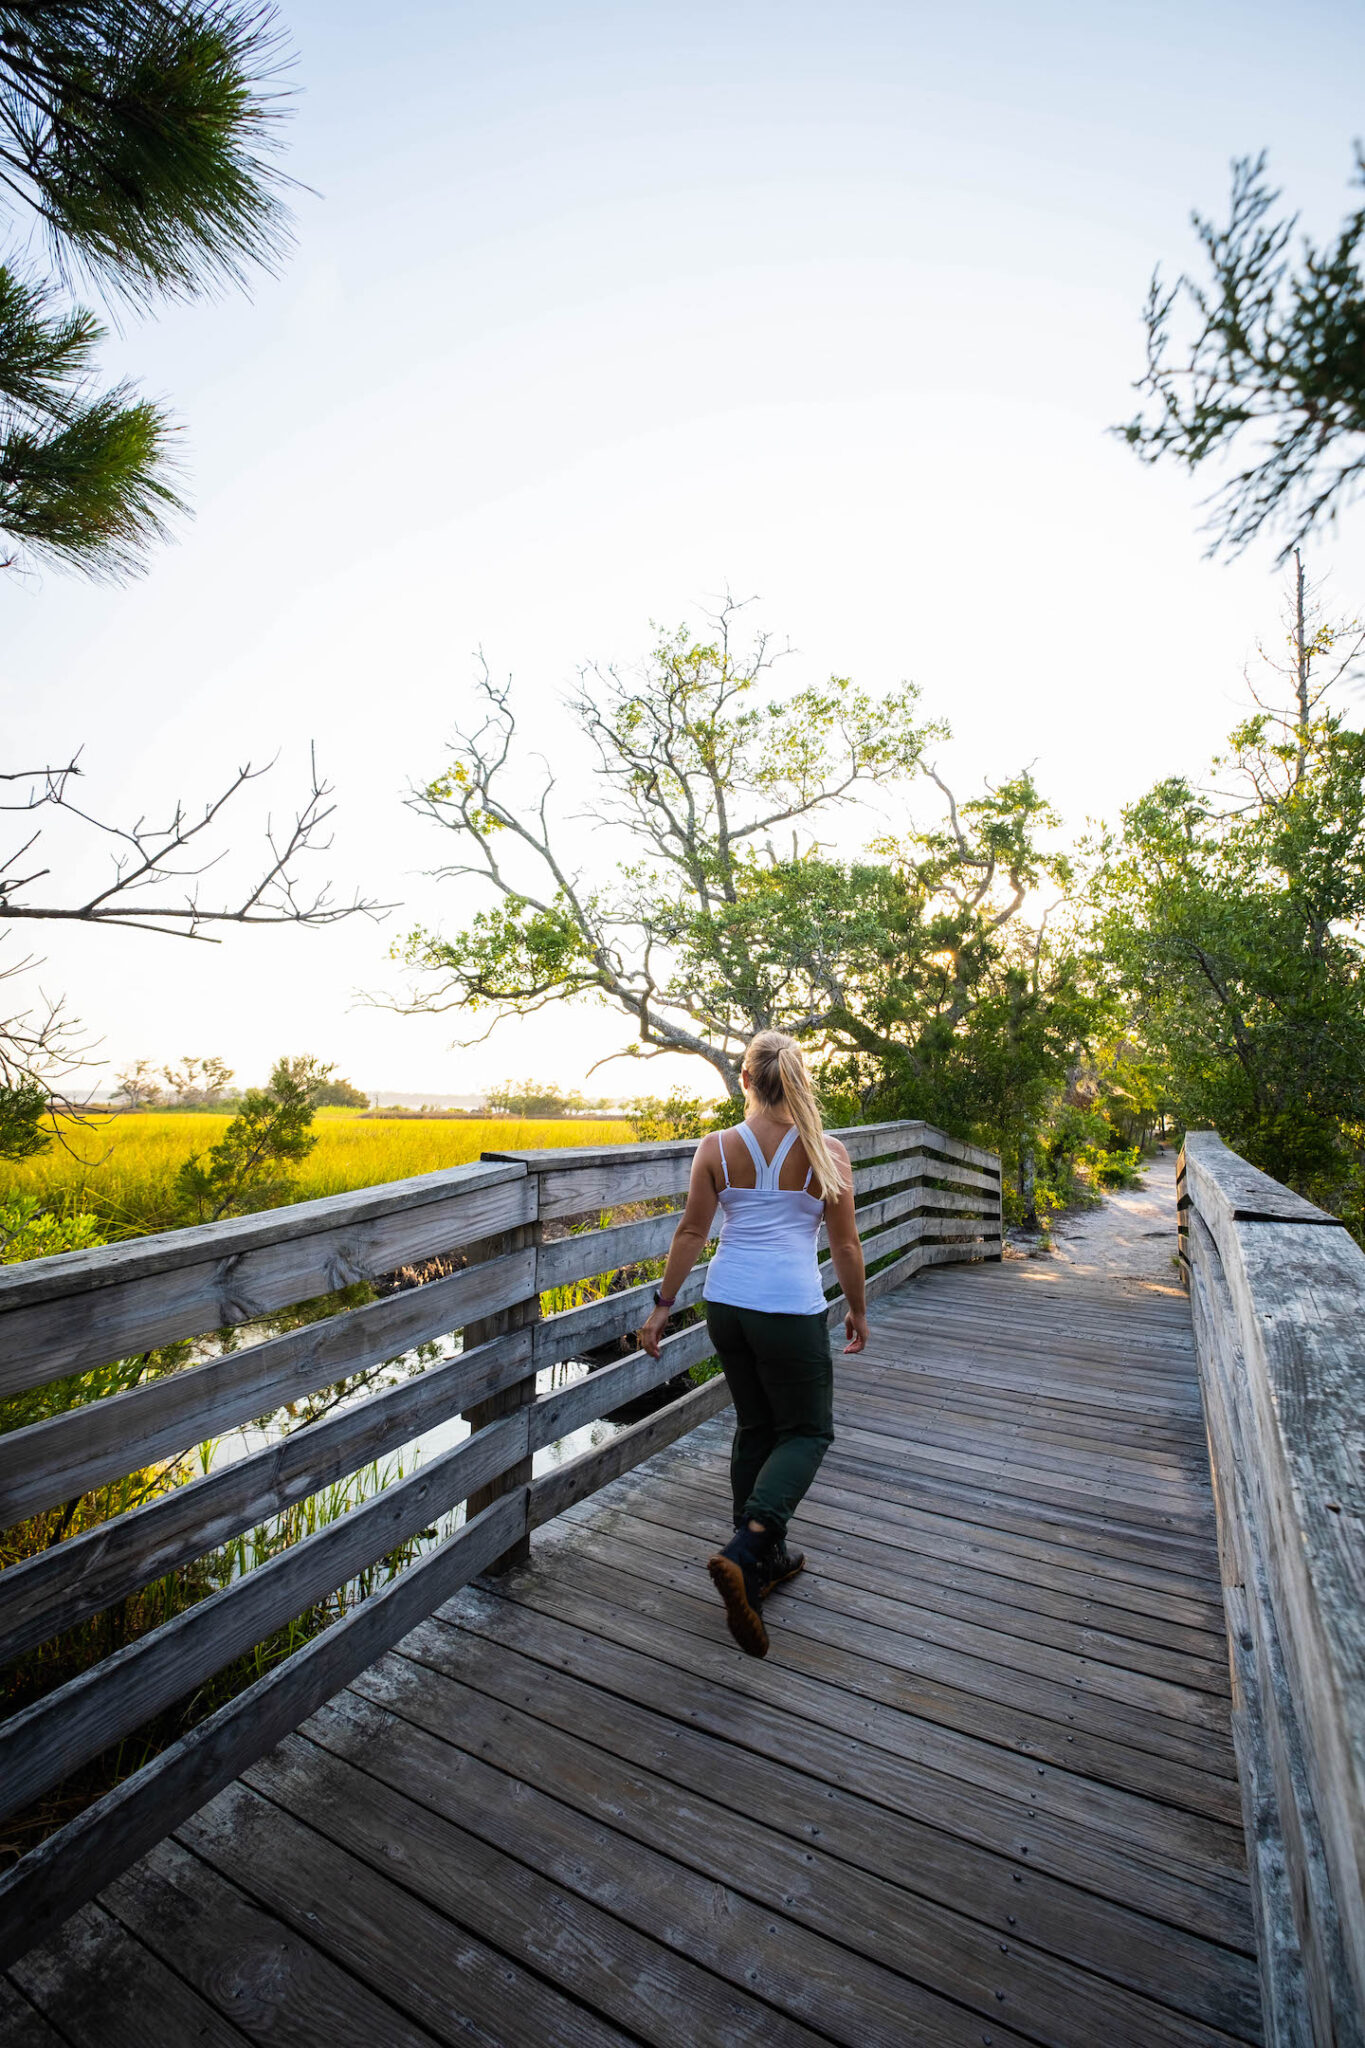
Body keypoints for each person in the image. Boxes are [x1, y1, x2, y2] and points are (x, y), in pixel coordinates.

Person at [639, 1030, 868, 1658]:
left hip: (728, 1305)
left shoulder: (715, 1147)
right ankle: (746, 1548)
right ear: (798, 1080)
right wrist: (856, 1307)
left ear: (745, 1080)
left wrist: (662, 1308)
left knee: (756, 1428)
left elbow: (691, 1231)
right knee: (808, 1432)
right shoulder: (828, 1152)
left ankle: (763, 1557)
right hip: (789, 1308)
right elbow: (845, 1246)